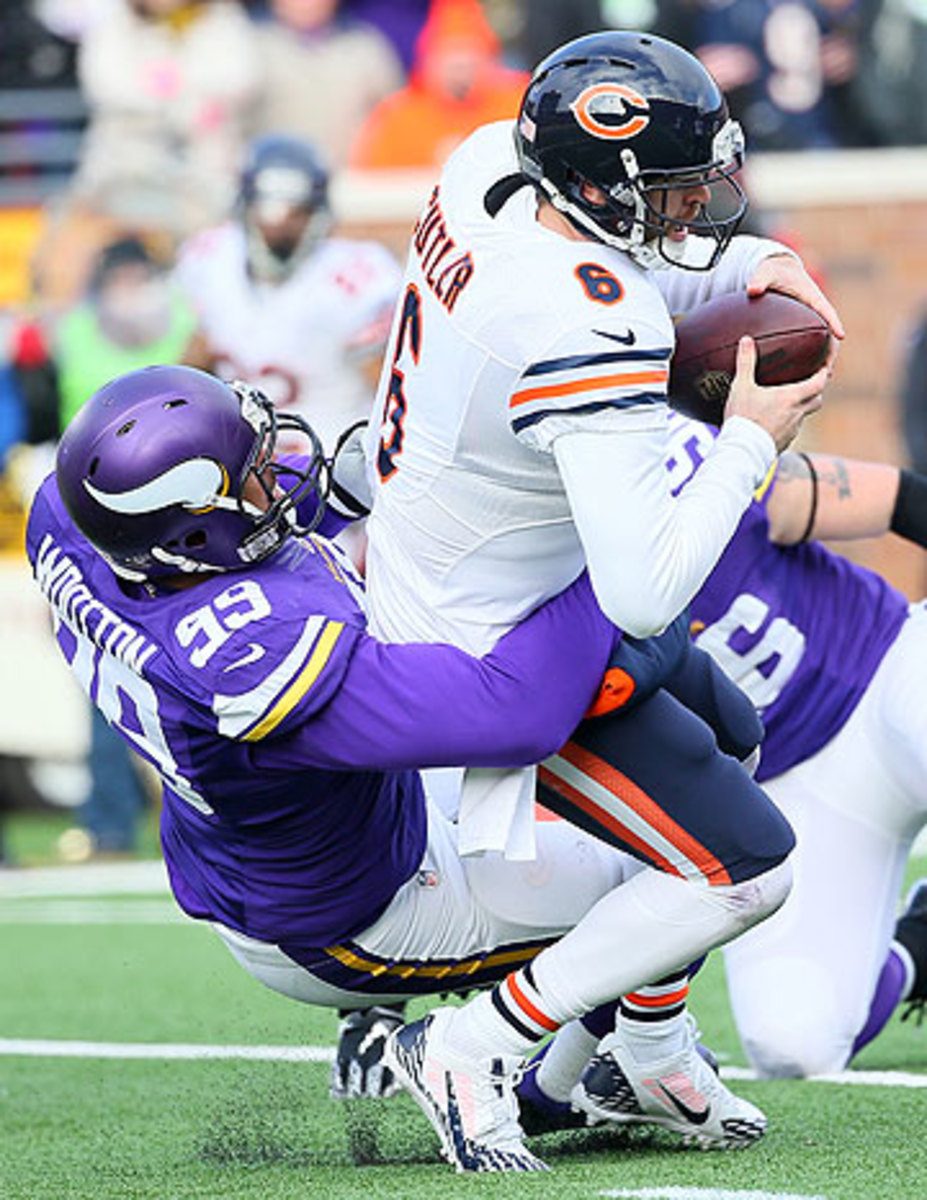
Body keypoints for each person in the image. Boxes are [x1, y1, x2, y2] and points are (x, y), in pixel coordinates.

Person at [29, 364, 771, 1175]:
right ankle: (521, 1065)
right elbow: (516, 712)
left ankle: (630, 1063)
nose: (277, 466)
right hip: (355, 914)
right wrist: (615, 564)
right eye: (254, 471)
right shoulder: (259, 658)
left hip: (331, 817)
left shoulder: (78, 517)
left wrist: (360, 480)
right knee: (692, 868)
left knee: (707, 729)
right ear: (196, 535)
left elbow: (234, 521)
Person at [358, 29, 841, 1168]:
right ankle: (475, 1044)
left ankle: (637, 1055)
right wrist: (749, 443)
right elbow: (647, 585)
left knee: (732, 731)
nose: (692, 211)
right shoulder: (588, 325)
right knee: (747, 864)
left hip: (459, 568)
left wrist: (741, 266)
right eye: (673, 192)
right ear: (600, 186)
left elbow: (604, 265)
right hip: (491, 649)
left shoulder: (488, 162)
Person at [176, 134, 401, 457]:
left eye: (296, 212)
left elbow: (394, 397)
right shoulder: (210, 260)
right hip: (242, 465)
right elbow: (192, 369)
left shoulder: (357, 279)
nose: (280, 225)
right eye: (268, 210)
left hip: (332, 465)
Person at [349, 0, 527, 170]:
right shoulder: (399, 117)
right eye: (449, 60)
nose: (460, 74)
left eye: (470, 60)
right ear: (428, 62)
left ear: (490, 59)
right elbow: (372, 183)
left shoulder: (517, 103)